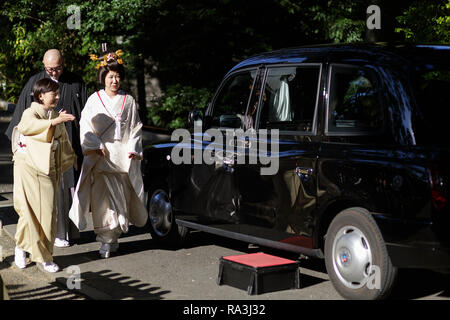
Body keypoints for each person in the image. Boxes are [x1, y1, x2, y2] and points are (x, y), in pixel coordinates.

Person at [69, 46, 148, 258]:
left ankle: (114, 236)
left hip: (122, 156)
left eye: (117, 77)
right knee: (103, 201)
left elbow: (136, 127)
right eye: (111, 76)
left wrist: (133, 147)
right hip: (101, 156)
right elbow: (86, 126)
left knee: (120, 200)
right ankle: (105, 240)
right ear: (103, 77)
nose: (114, 81)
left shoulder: (128, 101)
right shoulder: (94, 99)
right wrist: (95, 144)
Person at [5, 49, 88, 248]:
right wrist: (18, 148)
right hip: (41, 149)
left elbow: (87, 113)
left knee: (69, 189)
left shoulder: (76, 83)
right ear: (44, 65)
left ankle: (69, 232)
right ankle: (50, 237)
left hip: (68, 144)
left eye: (57, 68)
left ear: (63, 63)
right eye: (49, 69)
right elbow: (21, 121)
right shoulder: (35, 83)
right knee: (48, 194)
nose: (53, 73)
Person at [13, 78, 77, 272]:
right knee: (28, 211)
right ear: (40, 95)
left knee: (48, 212)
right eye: (54, 94)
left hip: (47, 167)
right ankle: (25, 250)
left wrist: (71, 157)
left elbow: (63, 140)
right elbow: (26, 127)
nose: (57, 97)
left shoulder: (55, 114)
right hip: (27, 167)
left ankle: (39, 253)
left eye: (58, 94)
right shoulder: (30, 112)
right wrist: (54, 121)